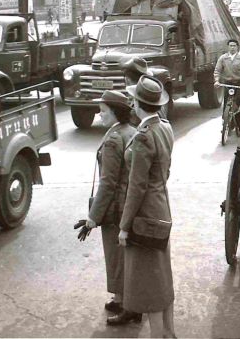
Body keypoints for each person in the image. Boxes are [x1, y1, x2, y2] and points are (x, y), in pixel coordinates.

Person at [119, 75, 176, 338]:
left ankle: (158, 336)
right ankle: (168, 331)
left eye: (132, 99)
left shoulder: (143, 136)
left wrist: (124, 226)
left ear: (137, 103)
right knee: (162, 273)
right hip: (161, 207)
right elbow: (164, 171)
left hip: (145, 215)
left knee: (150, 281)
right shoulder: (164, 127)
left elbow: (136, 186)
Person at [85, 91, 138, 324]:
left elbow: (108, 183)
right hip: (128, 204)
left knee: (116, 255)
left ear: (115, 112)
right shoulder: (130, 131)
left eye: (103, 111)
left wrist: (92, 217)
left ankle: (128, 306)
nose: (99, 115)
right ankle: (120, 298)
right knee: (123, 254)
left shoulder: (114, 138)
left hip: (115, 208)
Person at [214, 39, 240, 113]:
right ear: (228, 47)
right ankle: (224, 119)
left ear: (237, 47)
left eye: (234, 46)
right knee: (226, 101)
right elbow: (217, 70)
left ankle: (239, 120)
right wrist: (217, 81)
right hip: (227, 83)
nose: (232, 47)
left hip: (239, 83)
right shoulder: (223, 58)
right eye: (231, 46)